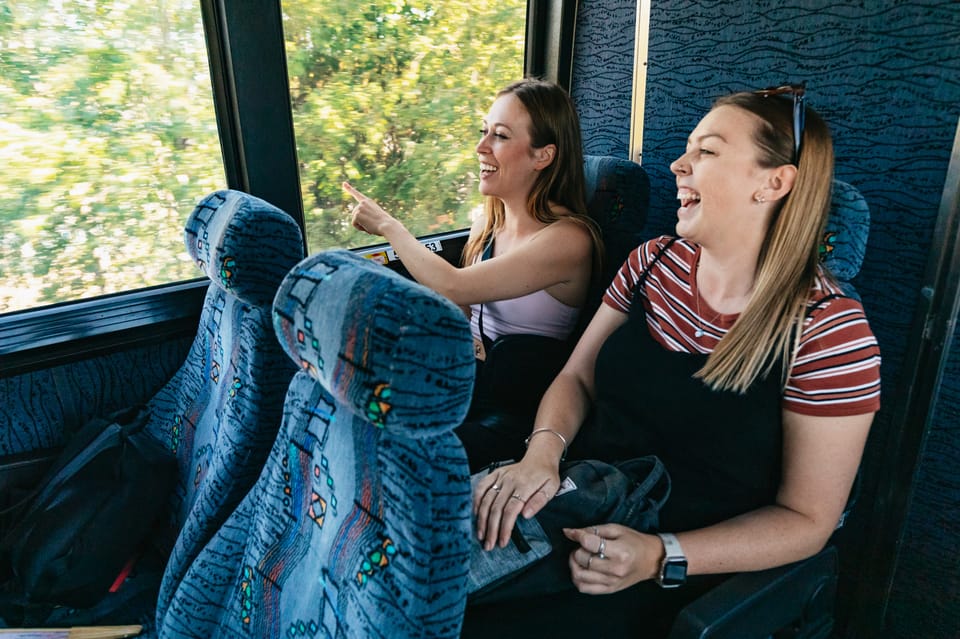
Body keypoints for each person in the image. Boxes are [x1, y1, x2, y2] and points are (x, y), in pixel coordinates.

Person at [464, 86, 882, 637]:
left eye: (706, 152)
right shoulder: (651, 263)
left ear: (774, 182)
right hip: (582, 499)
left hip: (672, 564)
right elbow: (577, 378)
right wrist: (540, 456)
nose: (678, 165)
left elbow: (808, 521)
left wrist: (661, 555)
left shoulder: (831, 333)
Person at [345, 78, 603, 458]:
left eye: (499, 136)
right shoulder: (488, 226)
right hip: (466, 387)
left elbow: (455, 286)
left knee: (395, 451)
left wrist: (389, 227)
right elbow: (462, 307)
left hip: (515, 416)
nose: (481, 147)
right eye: (484, 132)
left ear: (542, 156)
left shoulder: (570, 239)